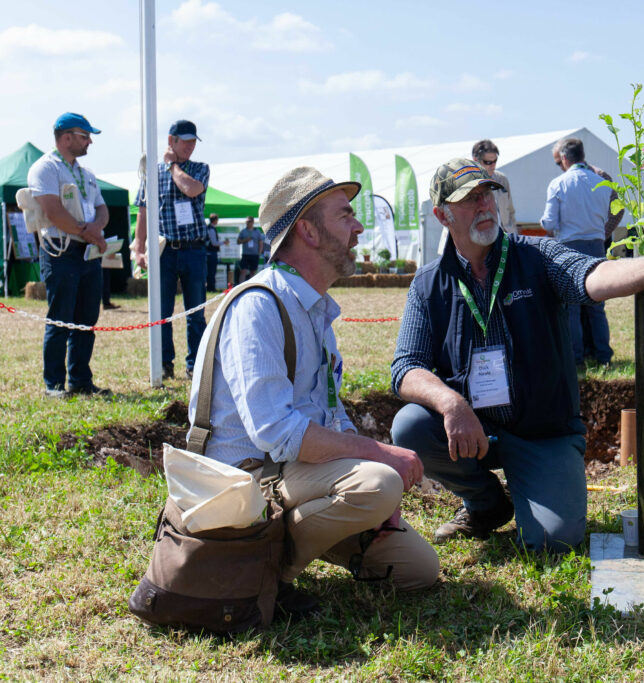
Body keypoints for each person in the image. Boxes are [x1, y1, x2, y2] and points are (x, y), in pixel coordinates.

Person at [188, 166, 439, 614]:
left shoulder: (312, 307)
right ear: (306, 229)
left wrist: (367, 481)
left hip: (290, 477)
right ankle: (263, 574)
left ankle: (308, 533)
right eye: (344, 216)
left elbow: (328, 412)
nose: (359, 227)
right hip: (246, 481)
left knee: (416, 568)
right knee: (378, 483)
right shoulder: (259, 306)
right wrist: (378, 458)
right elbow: (275, 434)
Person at [390, 158, 644, 552]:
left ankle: (534, 490)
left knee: (552, 542)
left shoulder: (537, 256)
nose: (484, 205)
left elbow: (589, 276)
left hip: (543, 433)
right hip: (476, 430)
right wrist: (451, 403)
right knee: (410, 427)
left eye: (487, 194)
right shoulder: (428, 285)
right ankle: (487, 505)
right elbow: (406, 367)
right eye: (469, 199)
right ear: (442, 215)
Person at [27, 112, 111, 398]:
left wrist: (95, 229)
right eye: (85, 136)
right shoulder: (45, 168)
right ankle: (53, 385)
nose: (89, 142)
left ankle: (80, 381)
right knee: (61, 318)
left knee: (86, 320)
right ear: (66, 138)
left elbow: (102, 209)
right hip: (60, 251)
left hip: (87, 251)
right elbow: (53, 211)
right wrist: (89, 232)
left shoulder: (86, 174)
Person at [132, 119, 210, 380]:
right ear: (171, 141)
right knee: (161, 312)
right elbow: (143, 211)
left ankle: (195, 364)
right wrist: (139, 248)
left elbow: (191, 189)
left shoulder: (199, 169)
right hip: (164, 251)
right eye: (185, 141)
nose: (190, 146)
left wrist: (172, 166)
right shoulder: (151, 174)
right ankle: (164, 364)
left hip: (194, 250)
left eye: (192, 141)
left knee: (195, 311)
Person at [541, 137, 618, 367]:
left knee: (571, 308)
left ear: (564, 158)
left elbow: (548, 223)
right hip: (596, 245)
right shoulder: (602, 182)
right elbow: (610, 213)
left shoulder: (558, 184)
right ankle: (604, 356)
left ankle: (576, 358)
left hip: (569, 247)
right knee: (597, 306)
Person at [471, 139, 517, 234]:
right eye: (488, 162)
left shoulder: (502, 179)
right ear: (476, 160)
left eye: (495, 161)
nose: (493, 165)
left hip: (505, 237)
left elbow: (510, 210)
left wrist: (513, 233)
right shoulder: (466, 183)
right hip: (482, 238)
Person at [236, 216, 262, 283]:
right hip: (245, 254)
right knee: (243, 271)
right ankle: (240, 286)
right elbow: (238, 242)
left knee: (252, 272)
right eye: (247, 221)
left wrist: (259, 253)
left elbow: (260, 242)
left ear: (253, 222)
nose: (248, 223)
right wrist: (245, 240)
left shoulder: (257, 231)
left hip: (254, 254)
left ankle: (251, 286)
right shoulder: (243, 231)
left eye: (249, 221)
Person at [205, 213, 221, 292]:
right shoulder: (211, 229)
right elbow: (214, 243)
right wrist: (223, 242)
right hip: (211, 253)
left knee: (209, 271)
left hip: (208, 253)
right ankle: (211, 288)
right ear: (215, 220)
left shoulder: (209, 228)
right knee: (212, 271)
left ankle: (210, 287)